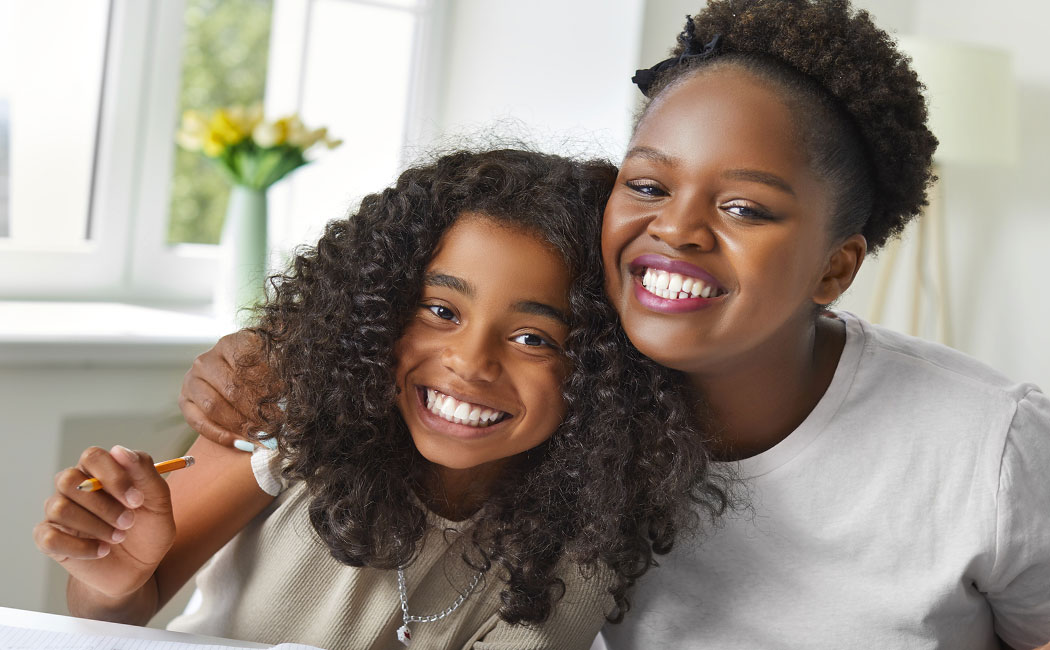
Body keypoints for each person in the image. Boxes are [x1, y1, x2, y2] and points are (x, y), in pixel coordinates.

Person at [179, 1, 1050, 648]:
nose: (676, 230)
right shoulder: (555, 403)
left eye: (745, 207)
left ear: (836, 266)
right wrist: (271, 347)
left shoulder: (988, 446)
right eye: (647, 185)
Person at [33, 149, 728, 649]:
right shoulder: (290, 425)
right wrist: (116, 579)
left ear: (605, 374)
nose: (469, 364)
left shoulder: (583, 538)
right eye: (441, 311)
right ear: (380, 311)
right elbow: (111, 619)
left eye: (534, 338)